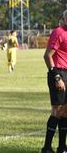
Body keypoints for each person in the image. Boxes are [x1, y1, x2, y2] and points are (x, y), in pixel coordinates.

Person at [41, 10, 67, 153]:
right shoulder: (59, 32)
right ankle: (46, 148)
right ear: (64, 18)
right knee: (57, 110)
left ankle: (62, 147)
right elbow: (47, 56)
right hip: (58, 72)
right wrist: (57, 77)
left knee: (66, 112)